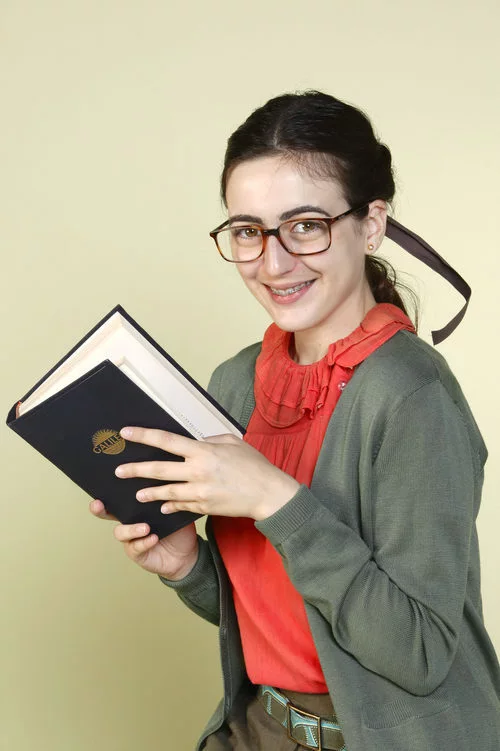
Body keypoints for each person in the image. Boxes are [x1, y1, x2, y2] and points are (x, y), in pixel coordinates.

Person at [90, 91, 500, 750]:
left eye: (305, 225)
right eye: (248, 230)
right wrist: (186, 564)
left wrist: (276, 499)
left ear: (371, 223)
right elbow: (282, 623)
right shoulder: (235, 383)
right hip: (262, 725)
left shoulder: (411, 396)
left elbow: (419, 653)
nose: (273, 262)